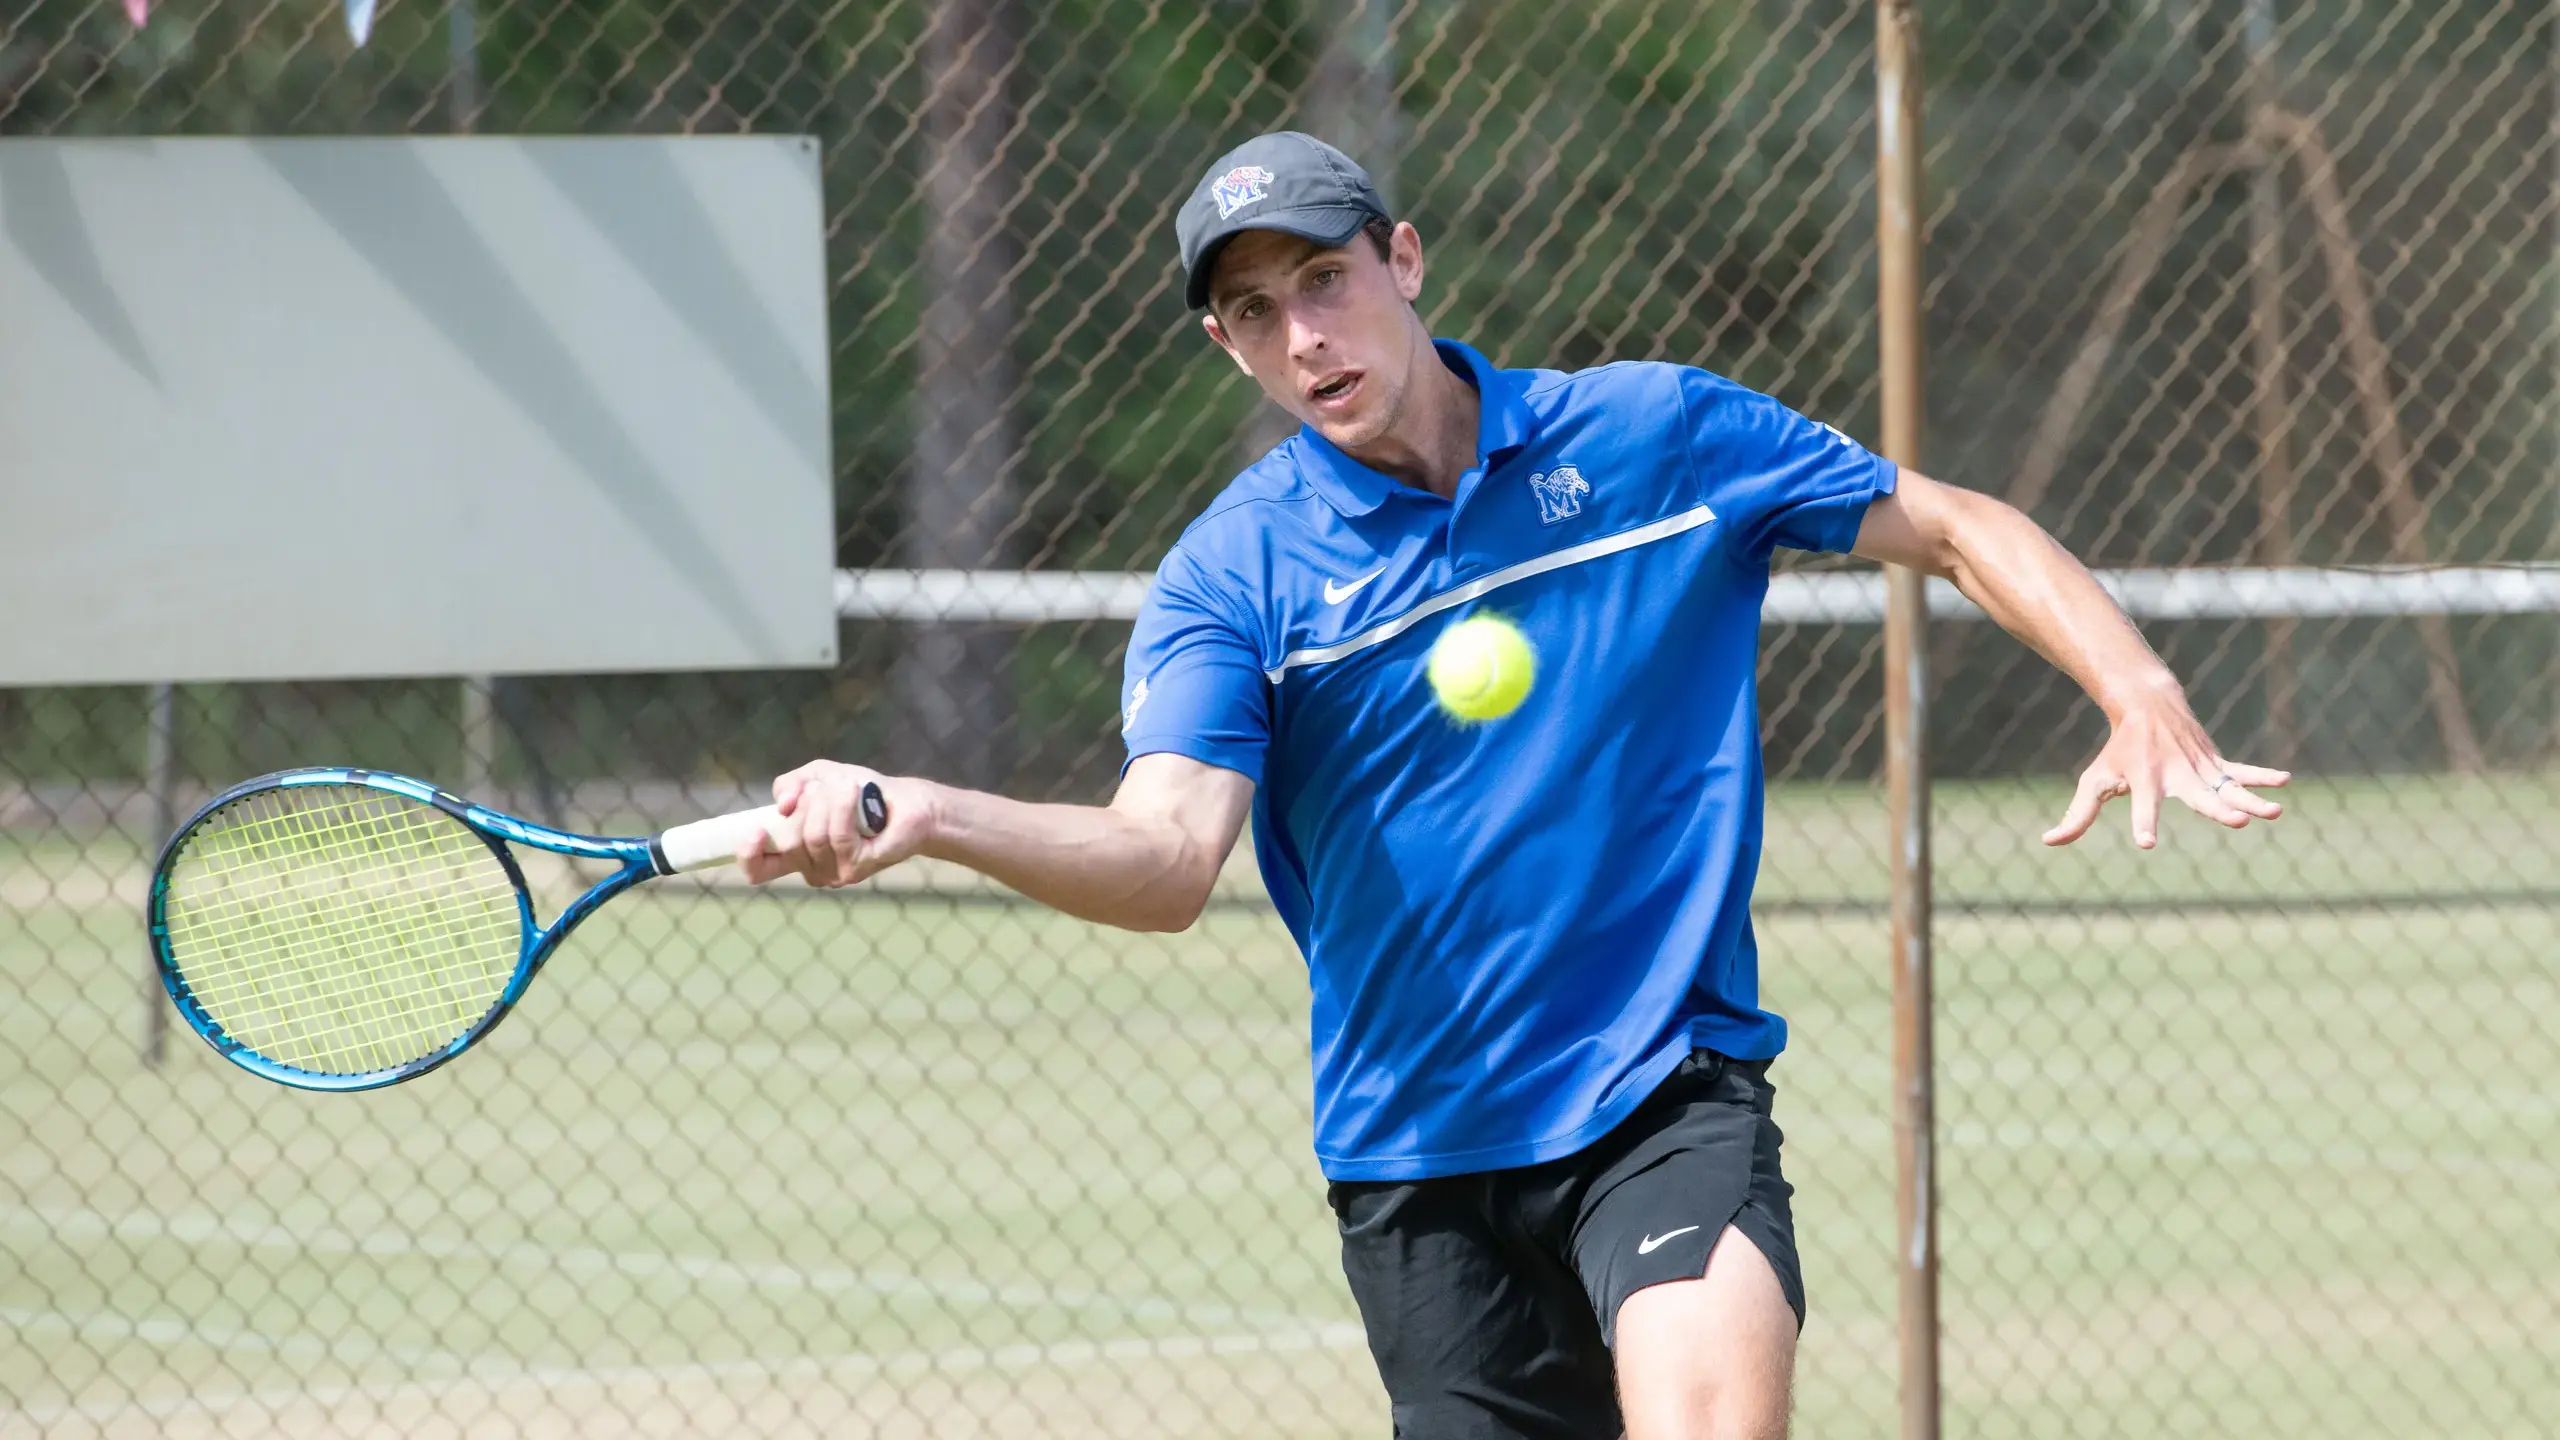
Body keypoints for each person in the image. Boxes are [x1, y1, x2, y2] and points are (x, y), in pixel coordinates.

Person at [738, 132, 2288, 1440]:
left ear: (1403, 260)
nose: (1305, 339)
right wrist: (934, 814)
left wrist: (2137, 689)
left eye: (1325, 282)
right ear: (1227, 343)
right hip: (1418, 1165)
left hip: (1659, 1099)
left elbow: (1947, 524)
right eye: (1255, 314)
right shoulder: (1234, 576)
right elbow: (1164, 857)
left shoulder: (1655, 437)